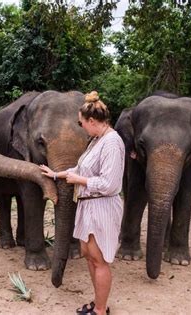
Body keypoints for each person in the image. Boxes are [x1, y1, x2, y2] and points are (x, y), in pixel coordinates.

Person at [39, 91, 125, 315]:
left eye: (80, 123)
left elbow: (110, 183)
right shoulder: (96, 141)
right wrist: (56, 174)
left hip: (102, 206)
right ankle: (97, 303)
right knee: (89, 256)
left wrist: (80, 181)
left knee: (100, 260)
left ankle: (100, 309)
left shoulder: (112, 143)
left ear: (92, 121)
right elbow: (79, 169)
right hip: (88, 205)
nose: (81, 127)